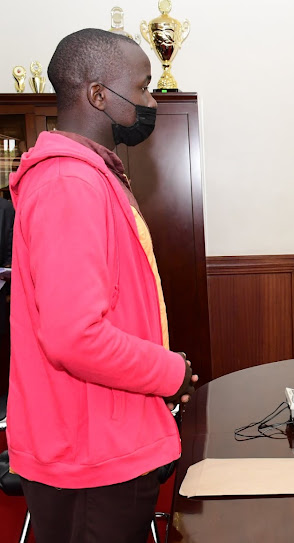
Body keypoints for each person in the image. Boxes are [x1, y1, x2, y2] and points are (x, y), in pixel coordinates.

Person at [6, 28, 198, 543]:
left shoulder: (89, 176)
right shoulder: (70, 184)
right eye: (140, 88)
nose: (150, 100)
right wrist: (171, 371)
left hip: (104, 438)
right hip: (88, 452)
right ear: (97, 95)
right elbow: (75, 337)